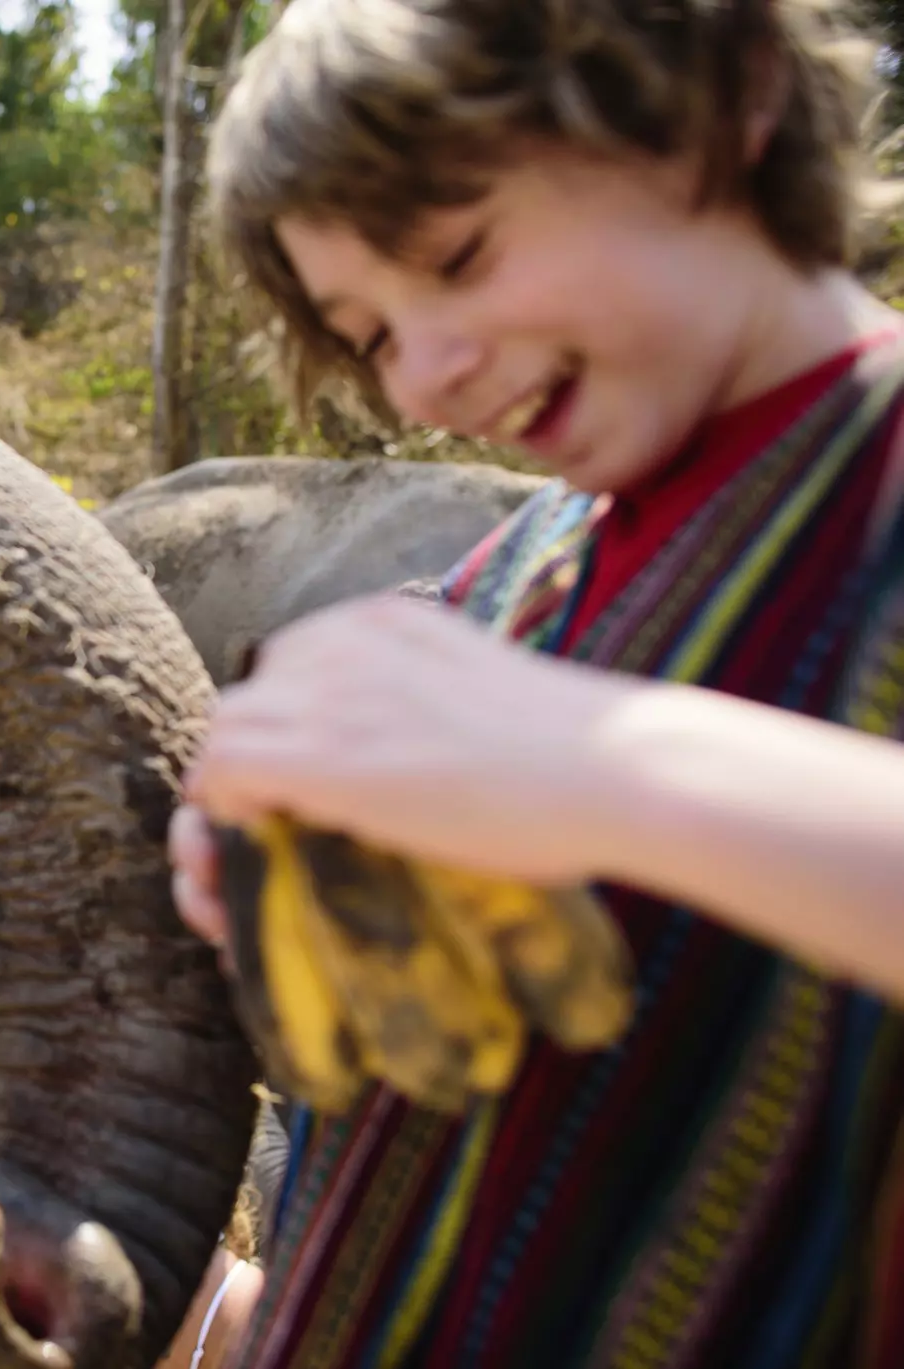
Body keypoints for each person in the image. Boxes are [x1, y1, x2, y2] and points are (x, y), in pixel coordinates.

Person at [161, 2, 904, 1367]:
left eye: (460, 254)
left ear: (720, 97)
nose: (428, 377)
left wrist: (603, 767)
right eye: (368, 333)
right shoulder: (508, 586)